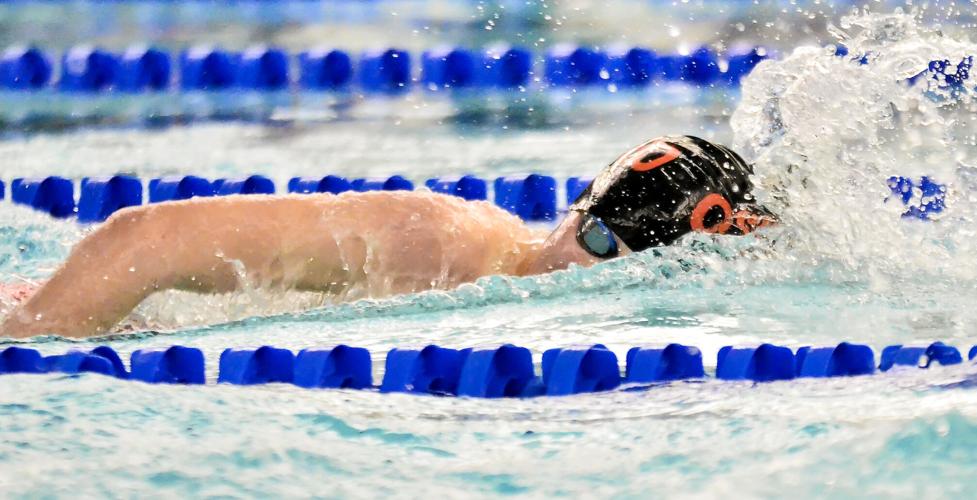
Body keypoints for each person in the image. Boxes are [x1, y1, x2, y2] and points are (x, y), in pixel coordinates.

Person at [0, 135, 774, 339]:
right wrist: (40, 324)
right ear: (574, 209)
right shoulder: (442, 241)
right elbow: (145, 236)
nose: (576, 264)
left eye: (611, 258)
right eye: (591, 235)